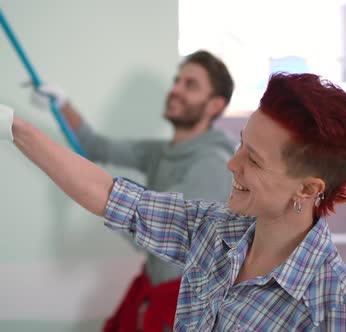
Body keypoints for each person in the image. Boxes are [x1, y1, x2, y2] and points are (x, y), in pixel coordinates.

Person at [0, 72, 346, 330]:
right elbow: (107, 193)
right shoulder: (212, 230)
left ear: (309, 189)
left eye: (252, 159)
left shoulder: (334, 307)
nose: (231, 165)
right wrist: (8, 124)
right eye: (240, 144)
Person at [31, 50, 237, 331]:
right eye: (177, 80)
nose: (175, 89)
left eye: (190, 85)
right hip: (155, 290)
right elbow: (95, 146)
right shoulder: (162, 152)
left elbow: (157, 229)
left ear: (215, 105)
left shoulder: (212, 164)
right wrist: (62, 105)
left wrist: (101, 197)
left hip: (183, 308)